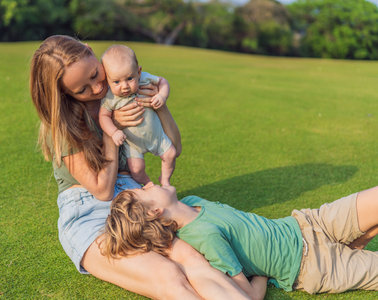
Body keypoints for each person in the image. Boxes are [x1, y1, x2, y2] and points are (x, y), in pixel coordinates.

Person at [30, 35, 249, 300]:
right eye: (82, 89)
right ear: (65, 93)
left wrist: (161, 105)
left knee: (192, 258)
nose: (97, 88)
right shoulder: (64, 125)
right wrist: (113, 131)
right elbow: (101, 190)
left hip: (134, 196)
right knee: (168, 275)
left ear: (91, 52)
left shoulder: (123, 84)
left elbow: (174, 148)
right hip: (87, 212)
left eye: (94, 74)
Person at [104, 183, 378, 298]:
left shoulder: (192, 202)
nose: (149, 184)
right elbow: (246, 294)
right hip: (313, 266)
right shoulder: (205, 238)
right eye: (144, 190)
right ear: (155, 211)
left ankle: (357, 240)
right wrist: (263, 272)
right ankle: (354, 246)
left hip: (309, 223)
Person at [99, 44, 176, 186]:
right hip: (133, 143)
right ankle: (148, 184)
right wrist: (114, 132)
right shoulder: (110, 97)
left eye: (129, 78)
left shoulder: (145, 79)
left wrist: (162, 96)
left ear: (139, 72)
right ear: (108, 81)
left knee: (170, 154)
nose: (124, 86)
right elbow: (103, 116)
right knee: (136, 169)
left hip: (156, 136)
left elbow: (162, 81)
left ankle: (165, 180)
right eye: (116, 82)